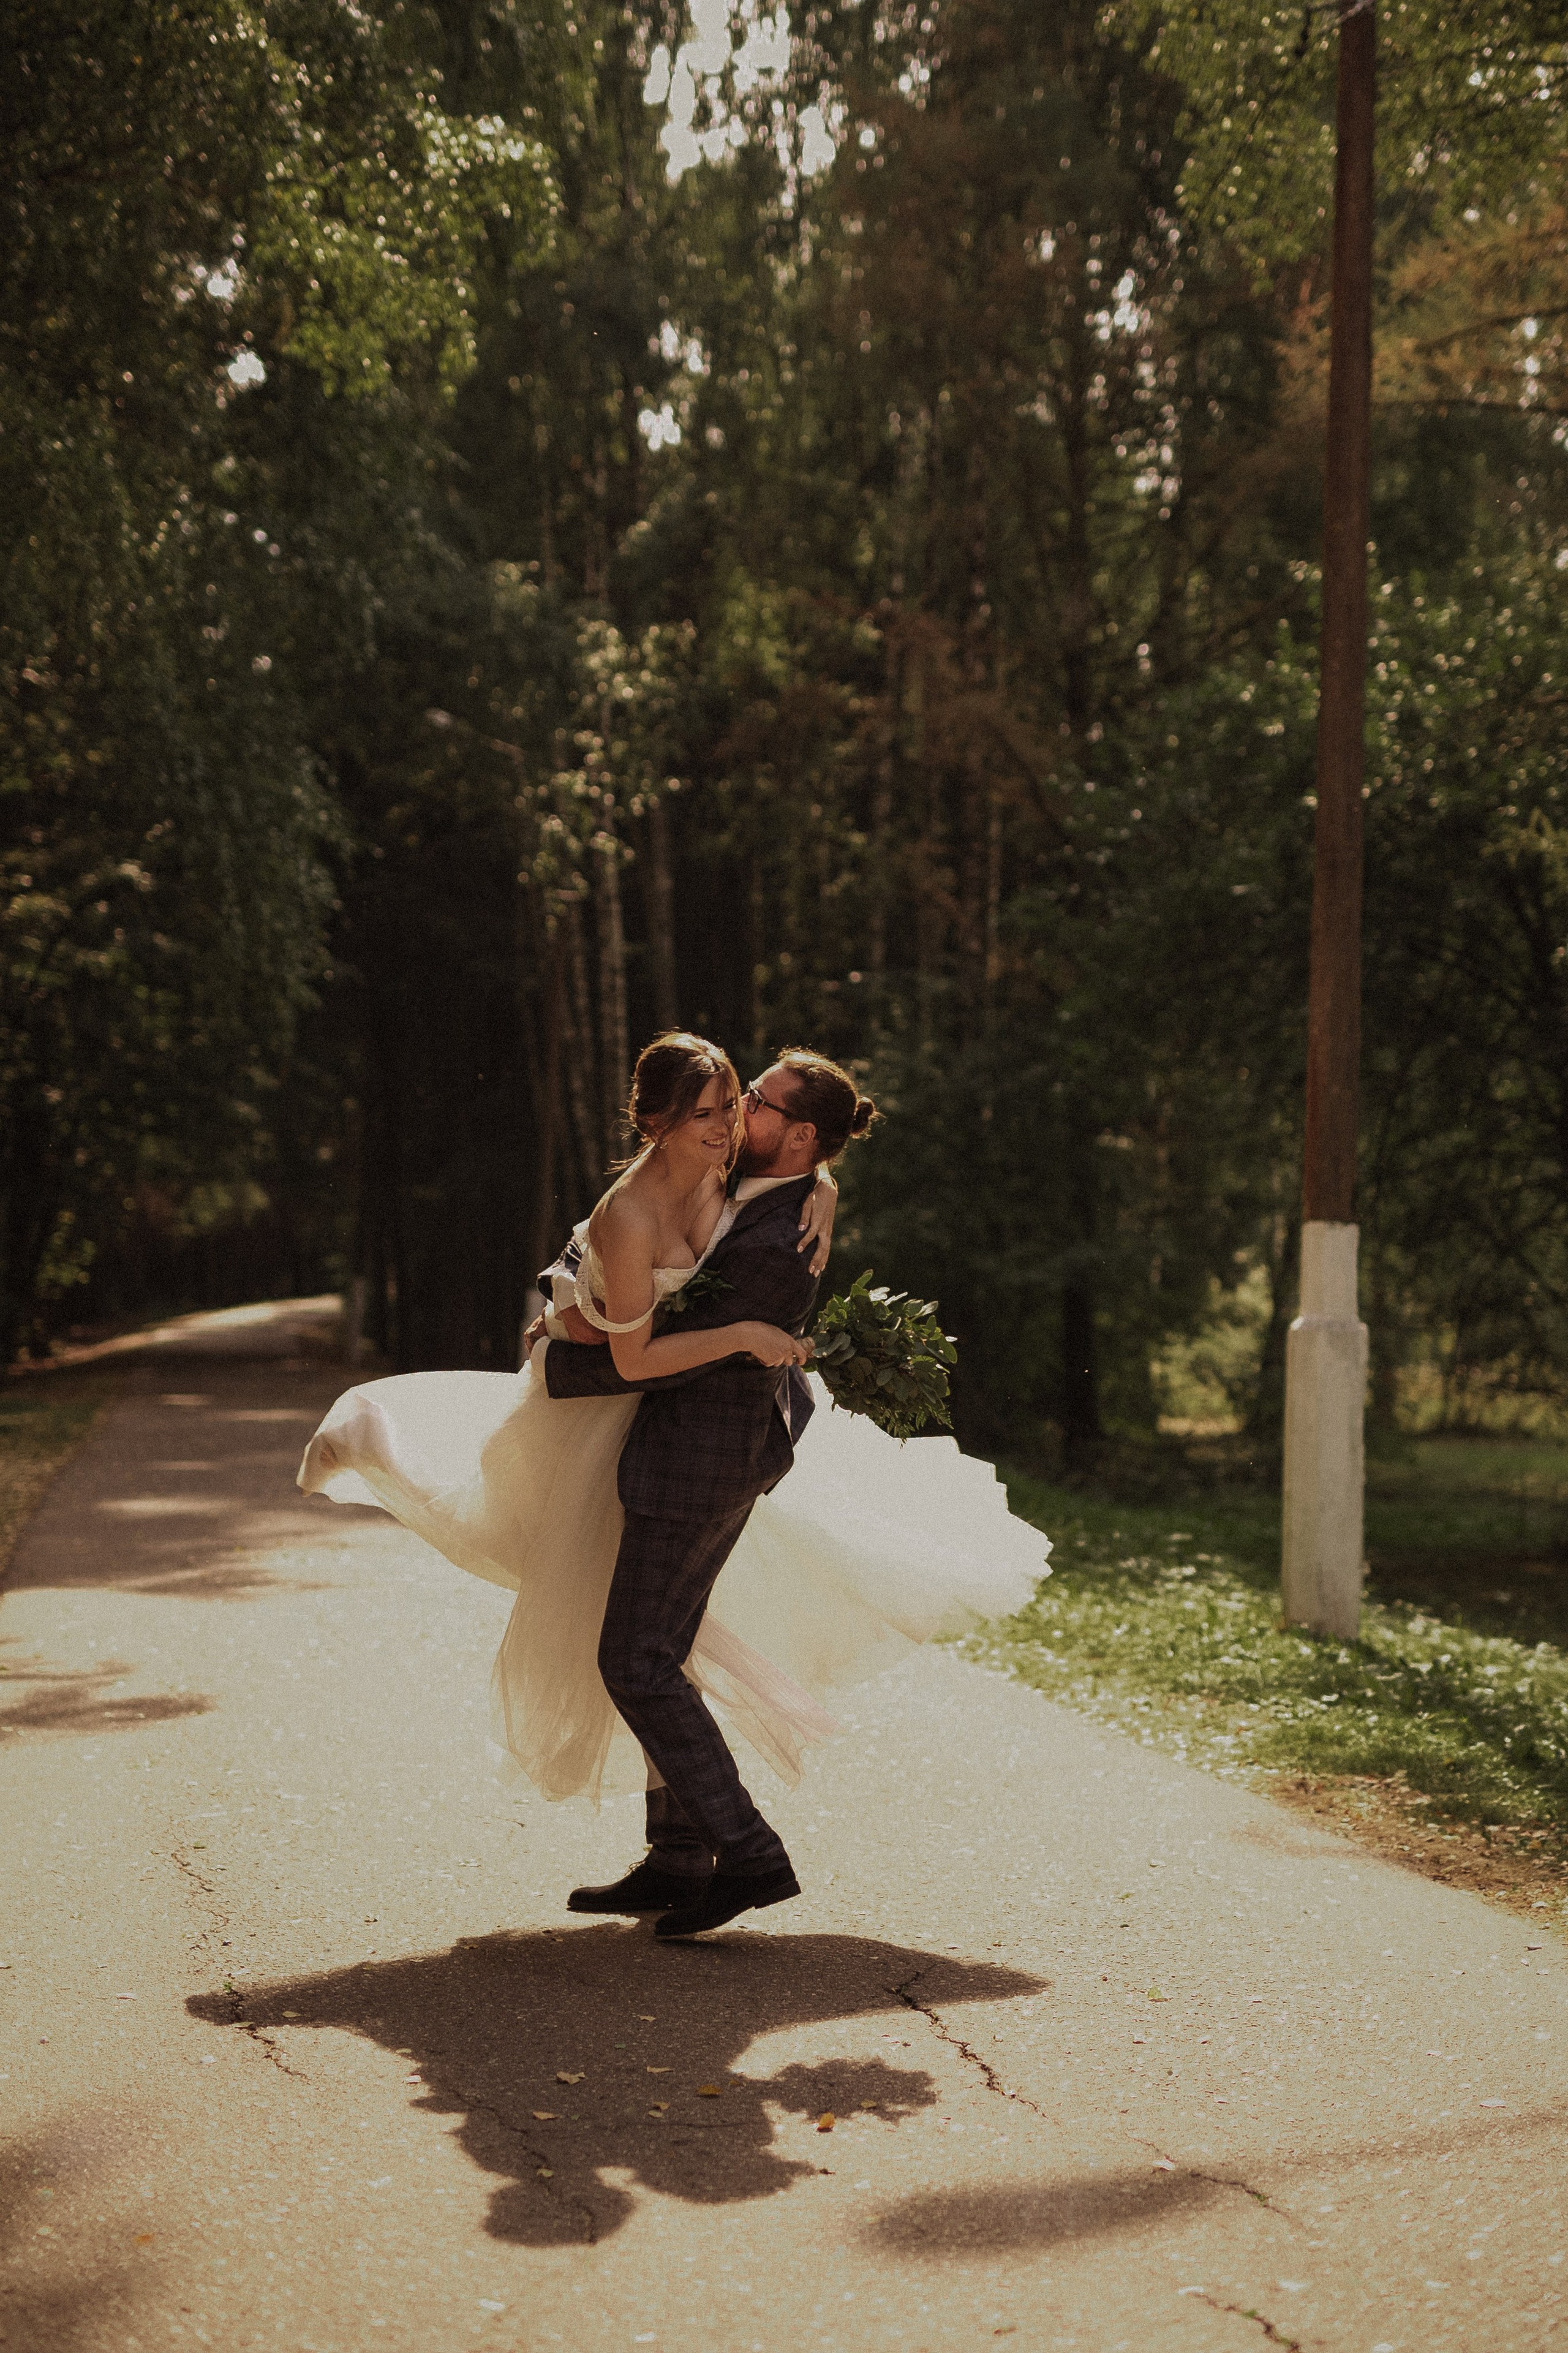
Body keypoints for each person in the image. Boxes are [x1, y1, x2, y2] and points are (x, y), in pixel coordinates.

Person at [298, 1033, 1048, 1939]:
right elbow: (629, 1283)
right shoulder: (744, 1184)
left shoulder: (781, 1226)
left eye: (753, 1104)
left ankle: (747, 1849)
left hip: (704, 1449)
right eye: (730, 1103)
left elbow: (662, 1351)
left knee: (635, 1657)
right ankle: (681, 1853)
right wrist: (567, 1323)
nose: (738, 1119)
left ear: (801, 1137)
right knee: (668, 1642)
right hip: (677, 1434)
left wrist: (591, 1346)